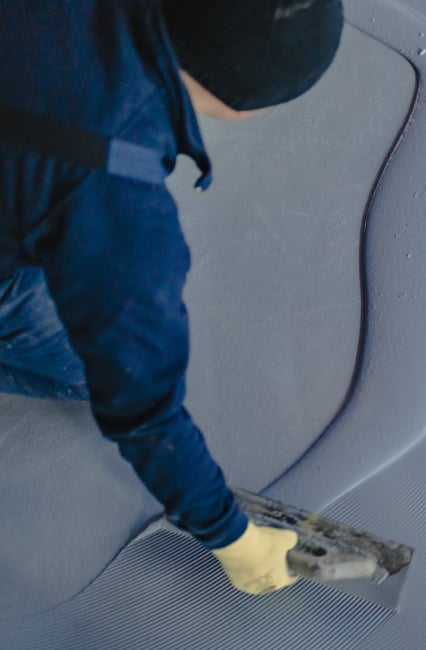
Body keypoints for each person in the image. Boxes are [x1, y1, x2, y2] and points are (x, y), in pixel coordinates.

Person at [0, 0, 343, 595]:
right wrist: (233, 537)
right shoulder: (118, 203)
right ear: (244, 107)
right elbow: (144, 408)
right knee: (88, 371)